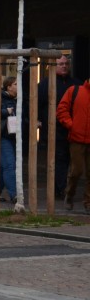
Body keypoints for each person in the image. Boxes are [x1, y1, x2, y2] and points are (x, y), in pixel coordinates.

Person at [38, 55, 80, 206]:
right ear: (54, 66)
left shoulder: (76, 84)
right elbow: (36, 103)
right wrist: (37, 120)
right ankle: (60, 188)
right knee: (59, 159)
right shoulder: (45, 84)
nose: (64, 66)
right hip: (52, 128)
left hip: (72, 129)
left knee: (69, 160)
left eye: (66, 64)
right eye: (61, 64)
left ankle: (60, 188)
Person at [0, 75, 23, 208]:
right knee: (9, 165)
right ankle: (15, 196)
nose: (18, 87)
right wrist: (4, 112)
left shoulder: (18, 100)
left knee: (3, 167)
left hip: (13, 137)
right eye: (15, 84)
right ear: (9, 87)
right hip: (2, 136)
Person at [56, 76, 90, 212]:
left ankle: (88, 201)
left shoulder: (75, 90)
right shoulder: (75, 90)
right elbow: (61, 110)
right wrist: (72, 125)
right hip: (77, 138)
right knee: (76, 171)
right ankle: (69, 194)